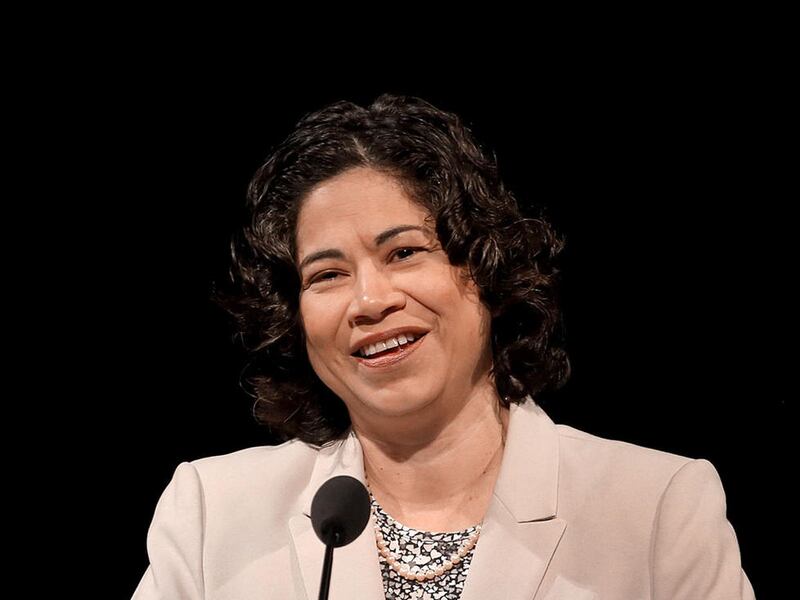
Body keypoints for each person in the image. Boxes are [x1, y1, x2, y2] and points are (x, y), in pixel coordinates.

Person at [131, 94, 755, 600]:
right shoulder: (214, 512)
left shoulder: (653, 508)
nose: (369, 301)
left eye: (404, 252)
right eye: (327, 274)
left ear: (486, 268)